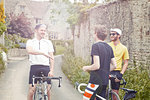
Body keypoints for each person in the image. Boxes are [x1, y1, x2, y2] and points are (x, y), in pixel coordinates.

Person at [82, 25, 117, 100]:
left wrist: (86, 68)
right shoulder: (109, 47)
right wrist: (105, 70)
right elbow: (114, 65)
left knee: (86, 98)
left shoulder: (96, 46)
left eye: (94, 33)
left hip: (95, 81)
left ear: (96, 33)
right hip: (105, 81)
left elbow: (96, 66)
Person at [26, 24, 54, 100]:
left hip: (46, 67)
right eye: (41, 30)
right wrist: (42, 53)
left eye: (44, 30)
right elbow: (30, 51)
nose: (43, 32)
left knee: (48, 89)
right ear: (36, 30)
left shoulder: (48, 42)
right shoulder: (30, 42)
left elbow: (51, 58)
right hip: (34, 67)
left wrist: (51, 70)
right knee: (31, 90)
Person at [108, 28, 129, 100]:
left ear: (119, 35)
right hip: (107, 70)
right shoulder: (107, 45)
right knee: (102, 91)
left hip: (116, 72)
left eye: (113, 34)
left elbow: (126, 63)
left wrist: (121, 74)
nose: (111, 35)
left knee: (115, 93)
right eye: (110, 34)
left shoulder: (124, 48)